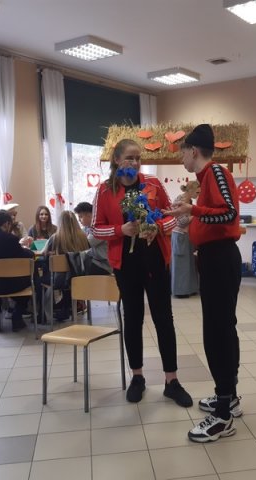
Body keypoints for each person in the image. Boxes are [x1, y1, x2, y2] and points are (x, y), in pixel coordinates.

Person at [92, 138, 192, 409]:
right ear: (117, 160)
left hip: (156, 261)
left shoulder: (153, 184)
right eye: (130, 158)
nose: (135, 163)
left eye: (138, 158)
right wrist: (120, 230)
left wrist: (158, 227)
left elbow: (171, 215)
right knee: (133, 318)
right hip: (125, 265)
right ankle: (137, 377)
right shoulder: (105, 190)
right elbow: (95, 229)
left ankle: (172, 381)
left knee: (164, 319)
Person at [164, 124, 242, 443]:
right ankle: (229, 396)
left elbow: (228, 214)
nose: (181, 158)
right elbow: (213, 214)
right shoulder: (206, 177)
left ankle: (222, 415)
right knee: (222, 328)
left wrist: (193, 210)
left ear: (193, 150)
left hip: (220, 258)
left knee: (217, 332)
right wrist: (190, 214)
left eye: (182, 152)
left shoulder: (216, 172)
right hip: (214, 257)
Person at [39, 210, 90, 320]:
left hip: (59, 280)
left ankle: (44, 311)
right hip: (81, 277)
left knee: (40, 277)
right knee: (69, 275)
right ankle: (70, 305)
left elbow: (43, 255)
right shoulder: (83, 236)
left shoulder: (55, 237)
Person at [170, 180, 200, 298]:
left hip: (187, 235)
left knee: (189, 263)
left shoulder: (190, 201)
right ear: (191, 190)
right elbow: (181, 222)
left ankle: (191, 289)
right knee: (181, 264)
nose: (198, 195)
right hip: (180, 236)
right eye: (197, 192)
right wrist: (197, 214)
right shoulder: (180, 200)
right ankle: (180, 291)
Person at [73, 202, 112, 275]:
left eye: (80, 217)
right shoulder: (87, 228)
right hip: (94, 261)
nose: (79, 220)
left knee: (74, 266)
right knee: (73, 263)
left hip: (103, 265)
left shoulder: (99, 227)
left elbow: (84, 244)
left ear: (89, 215)